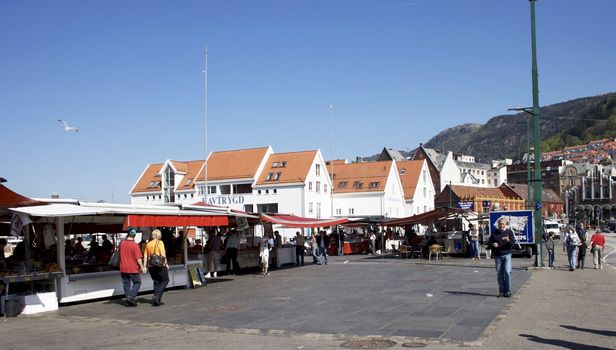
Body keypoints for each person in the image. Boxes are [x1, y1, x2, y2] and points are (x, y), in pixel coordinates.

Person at [488, 218, 516, 298]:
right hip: (497, 255)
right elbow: (489, 243)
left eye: (503, 224)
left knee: (507, 272)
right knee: (499, 274)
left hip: (507, 254)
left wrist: (508, 240)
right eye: (500, 224)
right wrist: (493, 244)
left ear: (506, 224)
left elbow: (513, 245)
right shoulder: (494, 233)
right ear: (498, 224)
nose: (501, 225)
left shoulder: (509, 232)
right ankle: (501, 291)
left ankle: (508, 291)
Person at [119, 228, 146, 307]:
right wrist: (142, 267)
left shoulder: (122, 243)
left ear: (128, 234)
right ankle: (131, 297)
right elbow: (138, 258)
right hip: (132, 268)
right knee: (137, 282)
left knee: (126, 284)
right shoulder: (135, 245)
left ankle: (128, 299)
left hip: (123, 267)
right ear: (134, 236)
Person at [144, 229, 169, 306]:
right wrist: (166, 263)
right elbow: (163, 254)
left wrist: (144, 266)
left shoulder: (148, 244)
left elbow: (145, 255)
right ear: (159, 235)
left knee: (156, 282)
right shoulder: (160, 242)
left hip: (151, 265)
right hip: (160, 265)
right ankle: (157, 296)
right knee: (165, 280)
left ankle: (157, 299)